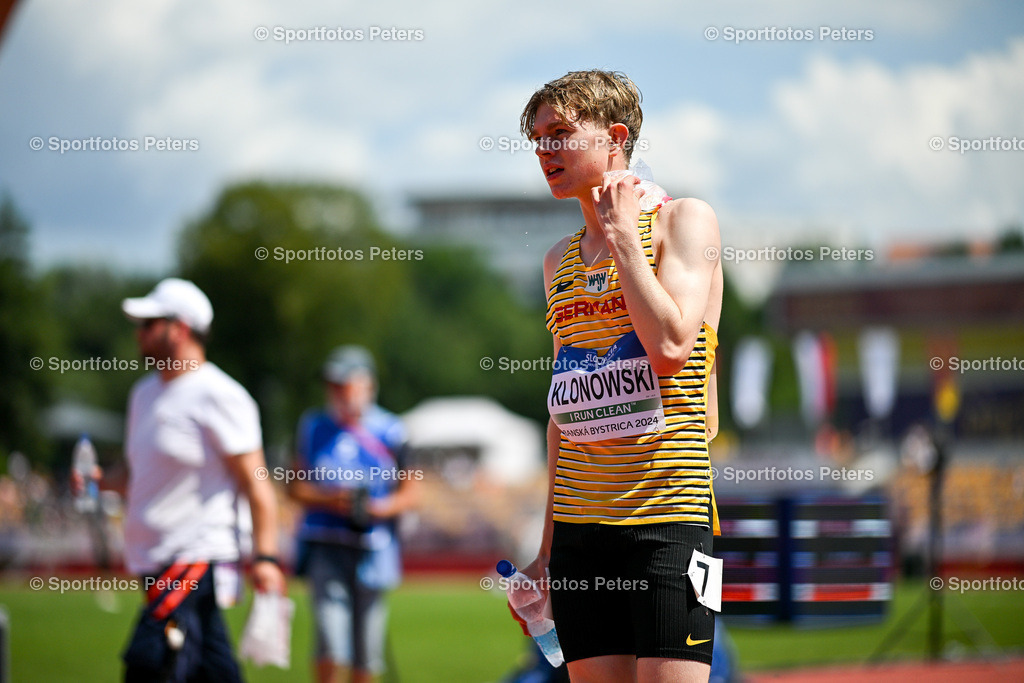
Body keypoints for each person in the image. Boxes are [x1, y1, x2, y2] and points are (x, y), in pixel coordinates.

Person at [518, 71, 723, 683]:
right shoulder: (558, 260)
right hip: (582, 529)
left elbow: (668, 347)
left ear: (614, 137)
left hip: (668, 518)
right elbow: (563, 418)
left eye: (558, 133)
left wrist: (622, 238)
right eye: (536, 139)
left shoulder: (683, 221)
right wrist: (547, 551)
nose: (543, 151)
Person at [77, 277, 286, 681]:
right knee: (212, 668)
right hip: (153, 557)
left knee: (150, 662)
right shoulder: (143, 394)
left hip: (192, 555)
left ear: (181, 329)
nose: (139, 334)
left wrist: (266, 557)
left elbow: (257, 482)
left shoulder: (220, 395)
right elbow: (137, 474)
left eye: (149, 323)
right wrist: (96, 481)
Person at [287, 346, 419, 683]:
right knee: (331, 645)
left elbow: (412, 491)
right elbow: (295, 486)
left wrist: (378, 508)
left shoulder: (392, 430)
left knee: (367, 654)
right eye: (332, 384)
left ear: (366, 383)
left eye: (344, 383)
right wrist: (333, 500)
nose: (337, 391)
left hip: (374, 550)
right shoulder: (313, 425)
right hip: (324, 543)